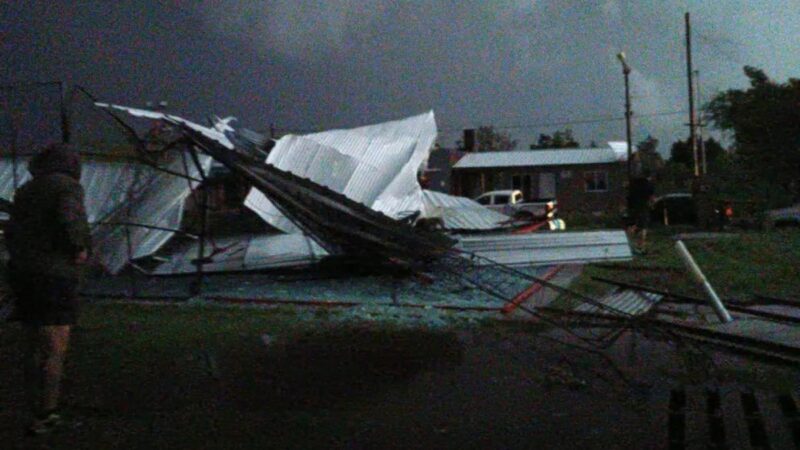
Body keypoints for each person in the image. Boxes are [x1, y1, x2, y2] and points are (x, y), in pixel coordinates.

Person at [5, 144, 91, 436]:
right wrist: (78, 247)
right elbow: (70, 219)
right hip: (54, 276)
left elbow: (13, 231)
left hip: (25, 274)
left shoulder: (27, 190)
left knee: (33, 343)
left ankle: (35, 406)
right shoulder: (66, 187)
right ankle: (46, 413)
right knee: (55, 347)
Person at [627, 171, 656, 253]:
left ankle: (628, 242)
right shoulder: (649, 185)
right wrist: (652, 205)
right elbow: (652, 198)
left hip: (633, 208)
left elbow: (629, 196)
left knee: (633, 225)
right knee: (643, 227)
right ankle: (641, 245)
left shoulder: (633, 184)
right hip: (644, 208)